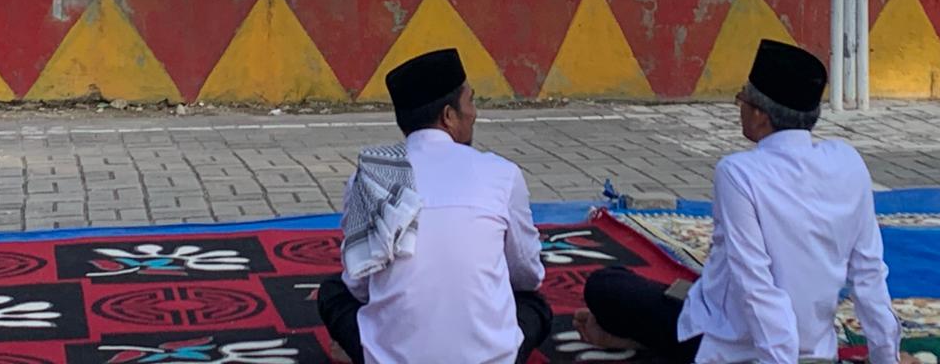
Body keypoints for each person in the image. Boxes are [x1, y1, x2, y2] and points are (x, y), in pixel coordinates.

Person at [575, 39, 905, 364]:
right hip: (816, 345)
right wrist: (886, 356)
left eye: (743, 99)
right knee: (686, 292)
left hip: (732, 344)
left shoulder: (739, 173)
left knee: (607, 286)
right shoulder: (847, 161)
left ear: (761, 115)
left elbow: (755, 283)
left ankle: (640, 337)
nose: (741, 108)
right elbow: (869, 272)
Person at [317, 48, 552, 364]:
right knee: (534, 305)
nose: (475, 113)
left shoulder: (369, 176)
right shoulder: (501, 173)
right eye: (471, 101)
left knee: (332, 291)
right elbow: (528, 275)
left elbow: (358, 286)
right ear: (448, 115)